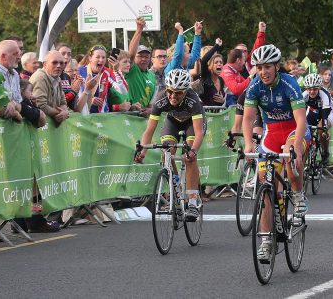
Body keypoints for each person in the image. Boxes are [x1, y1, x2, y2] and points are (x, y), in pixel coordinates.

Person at [242, 44, 309, 262]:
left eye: (267, 67)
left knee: (290, 158)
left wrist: (297, 146)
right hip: (271, 134)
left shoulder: (290, 84)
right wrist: (248, 144)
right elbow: (248, 118)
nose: (263, 71)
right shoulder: (254, 87)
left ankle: (298, 196)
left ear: (276, 66)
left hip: (293, 131)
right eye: (259, 67)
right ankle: (266, 241)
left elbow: (301, 120)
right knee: (265, 186)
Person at [136, 69, 205, 221]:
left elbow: (199, 133)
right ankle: (176, 188)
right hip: (173, 121)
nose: (173, 96)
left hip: (191, 124)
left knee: (189, 158)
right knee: (166, 149)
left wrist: (193, 151)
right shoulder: (161, 100)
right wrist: (142, 152)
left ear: (186, 91)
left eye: (178, 93)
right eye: (170, 91)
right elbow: (149, 130)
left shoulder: (193, 101)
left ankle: (193, 202)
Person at [222, 22, 265, 106]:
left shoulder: (237, 69)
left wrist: (261, 32)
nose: (244, 54)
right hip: (229, 107)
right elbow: (236, 89)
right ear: (237, 58)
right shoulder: (227, 70)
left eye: (245, 51)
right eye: (241, 51)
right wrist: (251, 76)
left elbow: (256, 48)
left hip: (238, 102)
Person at [78, 45, 124, 114]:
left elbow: (122, 91)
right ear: (90, 58)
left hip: (102, 116)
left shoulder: (108, 72)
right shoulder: (80, 71)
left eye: (103, 57)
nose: (101, 60)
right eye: (98, 57)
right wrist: (90, 100)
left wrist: (117, 71)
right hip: (85, 116)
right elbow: (74, 97)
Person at [29, 50, 70, 125]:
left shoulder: (57, 78)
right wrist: (62, 113)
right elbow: (41, 105)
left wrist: (65, 112)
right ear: (45, 64)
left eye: (61, 63)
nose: (58, 66)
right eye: (54, 62)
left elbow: (63, 102)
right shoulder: (40, 77)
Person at [303, 73, 333, 164]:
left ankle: (325, 152)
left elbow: (325, 114)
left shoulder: (324, 95)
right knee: (305, 131)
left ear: (319, 88)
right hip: (314, 111)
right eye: (309, 89)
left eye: (315, 89)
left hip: (328, 112)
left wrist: (324, 128)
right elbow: (299, 111)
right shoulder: (304, 95)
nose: (312, 91)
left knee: (321, 129)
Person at [0, 40, 23, 121]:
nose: (19, 57)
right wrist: (16, 114)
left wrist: (12, 103)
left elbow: (19, 106)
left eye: (19, 53)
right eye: (15, 54)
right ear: (3, 56)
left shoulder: (15, 74)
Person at [199, 38, 226, 106]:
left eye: (221, 62)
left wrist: (223, 101)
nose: (219, 64)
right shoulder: (205, 76)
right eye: (216, 62)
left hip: (217, 115)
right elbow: (204, 61)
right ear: (210, 66)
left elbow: (219, 101)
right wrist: (216, 45)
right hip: (205, 115)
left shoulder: (221, 80)